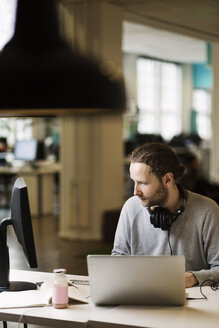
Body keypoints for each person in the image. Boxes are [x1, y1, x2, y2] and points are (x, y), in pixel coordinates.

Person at [112, 143, 219, 288]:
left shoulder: (207, 210)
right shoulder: (131, 207)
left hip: (193, 300)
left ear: (168, 179)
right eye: (134, 182)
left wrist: (194, 277)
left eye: (142, 183)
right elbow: (118, 259)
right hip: (140, 295)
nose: (135, 191)